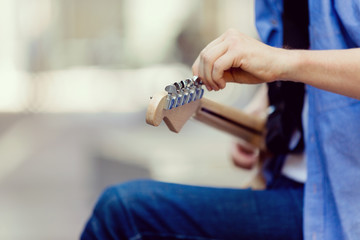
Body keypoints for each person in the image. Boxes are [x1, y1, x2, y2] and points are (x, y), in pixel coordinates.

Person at [81, 0, 360, 239]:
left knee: (123, 212)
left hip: (337, 205)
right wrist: (263, 109)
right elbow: (304, 56)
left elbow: (287, 62)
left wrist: (281, 62)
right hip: (284, 181)